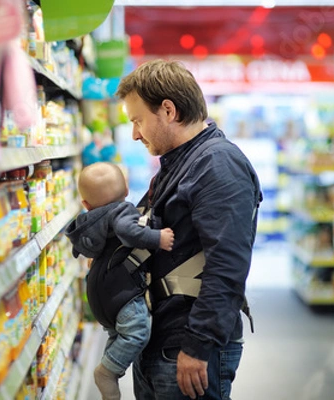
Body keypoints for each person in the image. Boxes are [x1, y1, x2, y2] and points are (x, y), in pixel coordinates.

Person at [116, 59, 261, 400]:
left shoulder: (217, 165)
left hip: (188, 347)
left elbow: (227, 266)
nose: (135, 134)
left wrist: (198, 346)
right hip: (162, 339)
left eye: (138, 121)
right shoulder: (181, 162)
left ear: (168, 110)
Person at [64, 161, 175, 400]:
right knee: (137, 333)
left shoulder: (89, 219)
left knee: (117, 335)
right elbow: (128, 232)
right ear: (126, 189)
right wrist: (157, 238)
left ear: (85, 203)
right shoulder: (121, 210)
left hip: (99, 293)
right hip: (121, 293)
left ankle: (109, 375)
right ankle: (107, 372)